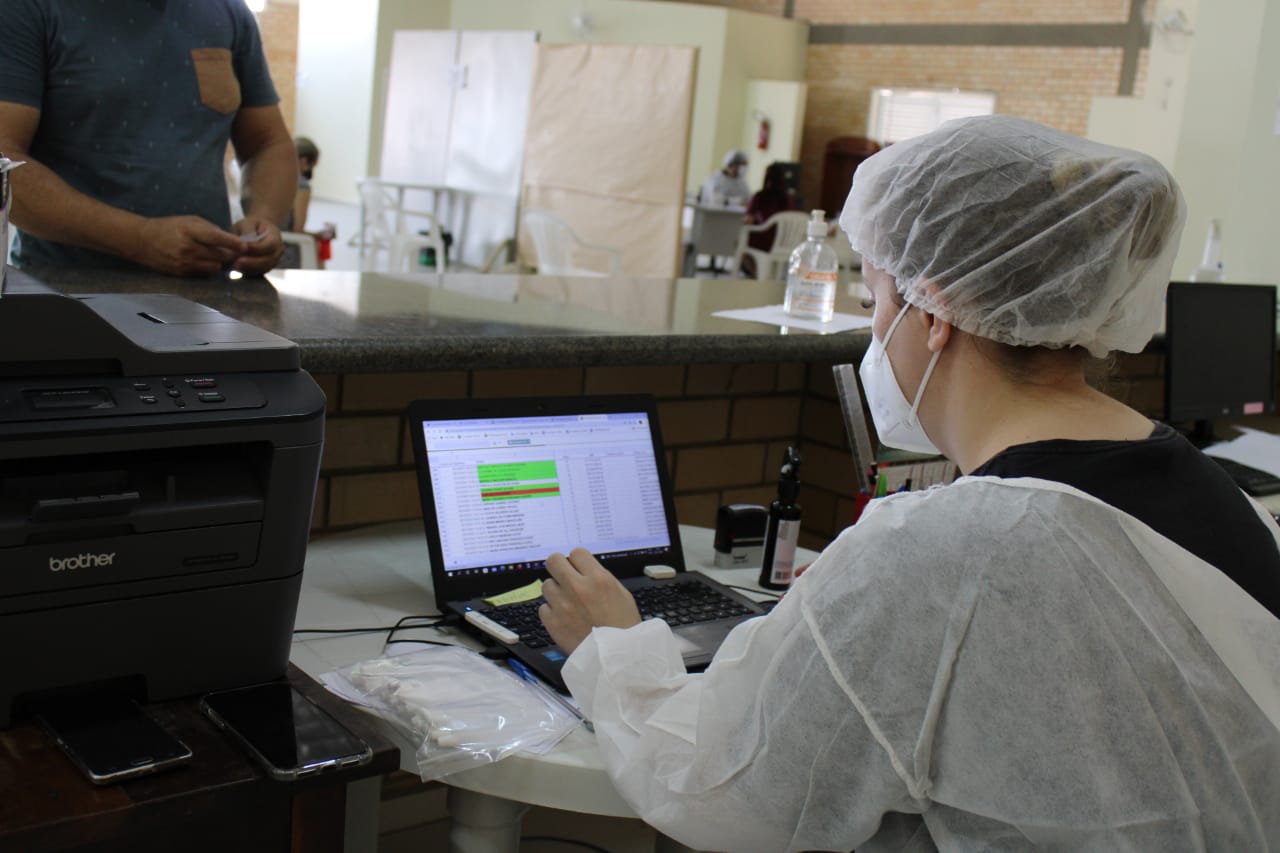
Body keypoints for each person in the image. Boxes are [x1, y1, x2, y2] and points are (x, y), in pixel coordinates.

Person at [537, 115, 1280, 850]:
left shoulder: (943, 548)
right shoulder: (1218, 494)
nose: (873, 328)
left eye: (876, 300)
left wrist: (615, 648)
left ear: (934, 315)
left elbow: (721, 792)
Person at [0, 0, 297, 277]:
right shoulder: (29, 8)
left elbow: (268, 144)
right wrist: (139, 237)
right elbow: (4, 159)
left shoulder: (227, 12)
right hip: (68, 290)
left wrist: (263, 219)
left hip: (205, 295)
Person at [739, 161, 800, 277]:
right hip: (785, 241)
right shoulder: (789, 199)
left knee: (743, 238)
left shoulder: (760, 197)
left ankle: (754, 273)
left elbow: (748, 220)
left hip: (764, 241)